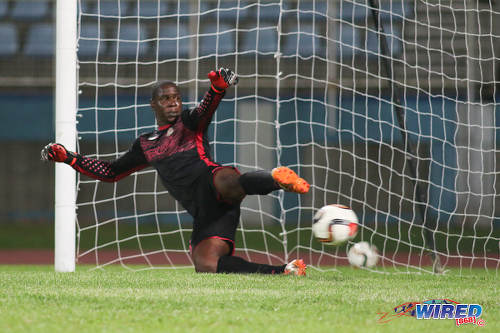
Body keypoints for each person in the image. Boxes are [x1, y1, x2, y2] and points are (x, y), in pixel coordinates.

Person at [41, 68, 310, 276]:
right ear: (153, 105)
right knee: (206, 264)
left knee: (229, 181)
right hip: (204, 211)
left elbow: (206, 109)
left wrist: (217, 88)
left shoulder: (190, 123)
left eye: (177, 98)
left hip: (212, 180)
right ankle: (284, 271)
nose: (173, 103)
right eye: (165, 99)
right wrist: (69, 158)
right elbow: (110, 172)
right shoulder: (145, 145)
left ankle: (277, 179)